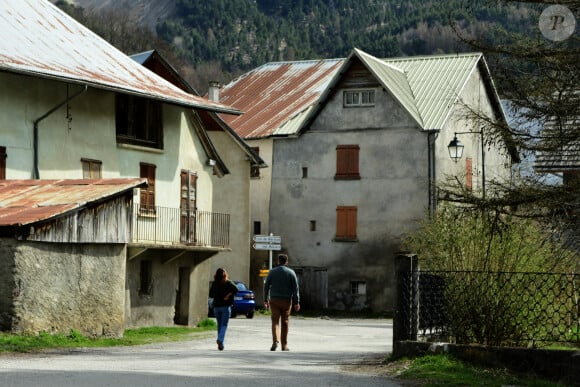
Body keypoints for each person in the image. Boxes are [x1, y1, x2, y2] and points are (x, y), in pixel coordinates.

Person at [263, 254, 300, 351]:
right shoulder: (291, 273)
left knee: (275, 321)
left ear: (278, 261)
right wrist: (296, 302)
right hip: (286, 301)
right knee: (285, 322)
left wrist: (265, 299)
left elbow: (266, 286)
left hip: (274, 300)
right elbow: (295, 289)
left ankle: (275, 341)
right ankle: (284, 345)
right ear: (286, 262)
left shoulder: (272, 272)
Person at [209, 268, 238, 351]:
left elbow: (211, 294)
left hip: (217, 307)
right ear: (225, 275)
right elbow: (236, 289)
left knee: (219, 325)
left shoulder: (214, 283)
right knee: (224, 325)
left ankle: (220, 344)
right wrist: (228, 295)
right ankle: (220, 340)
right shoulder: (228, 282)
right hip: (225, 306)